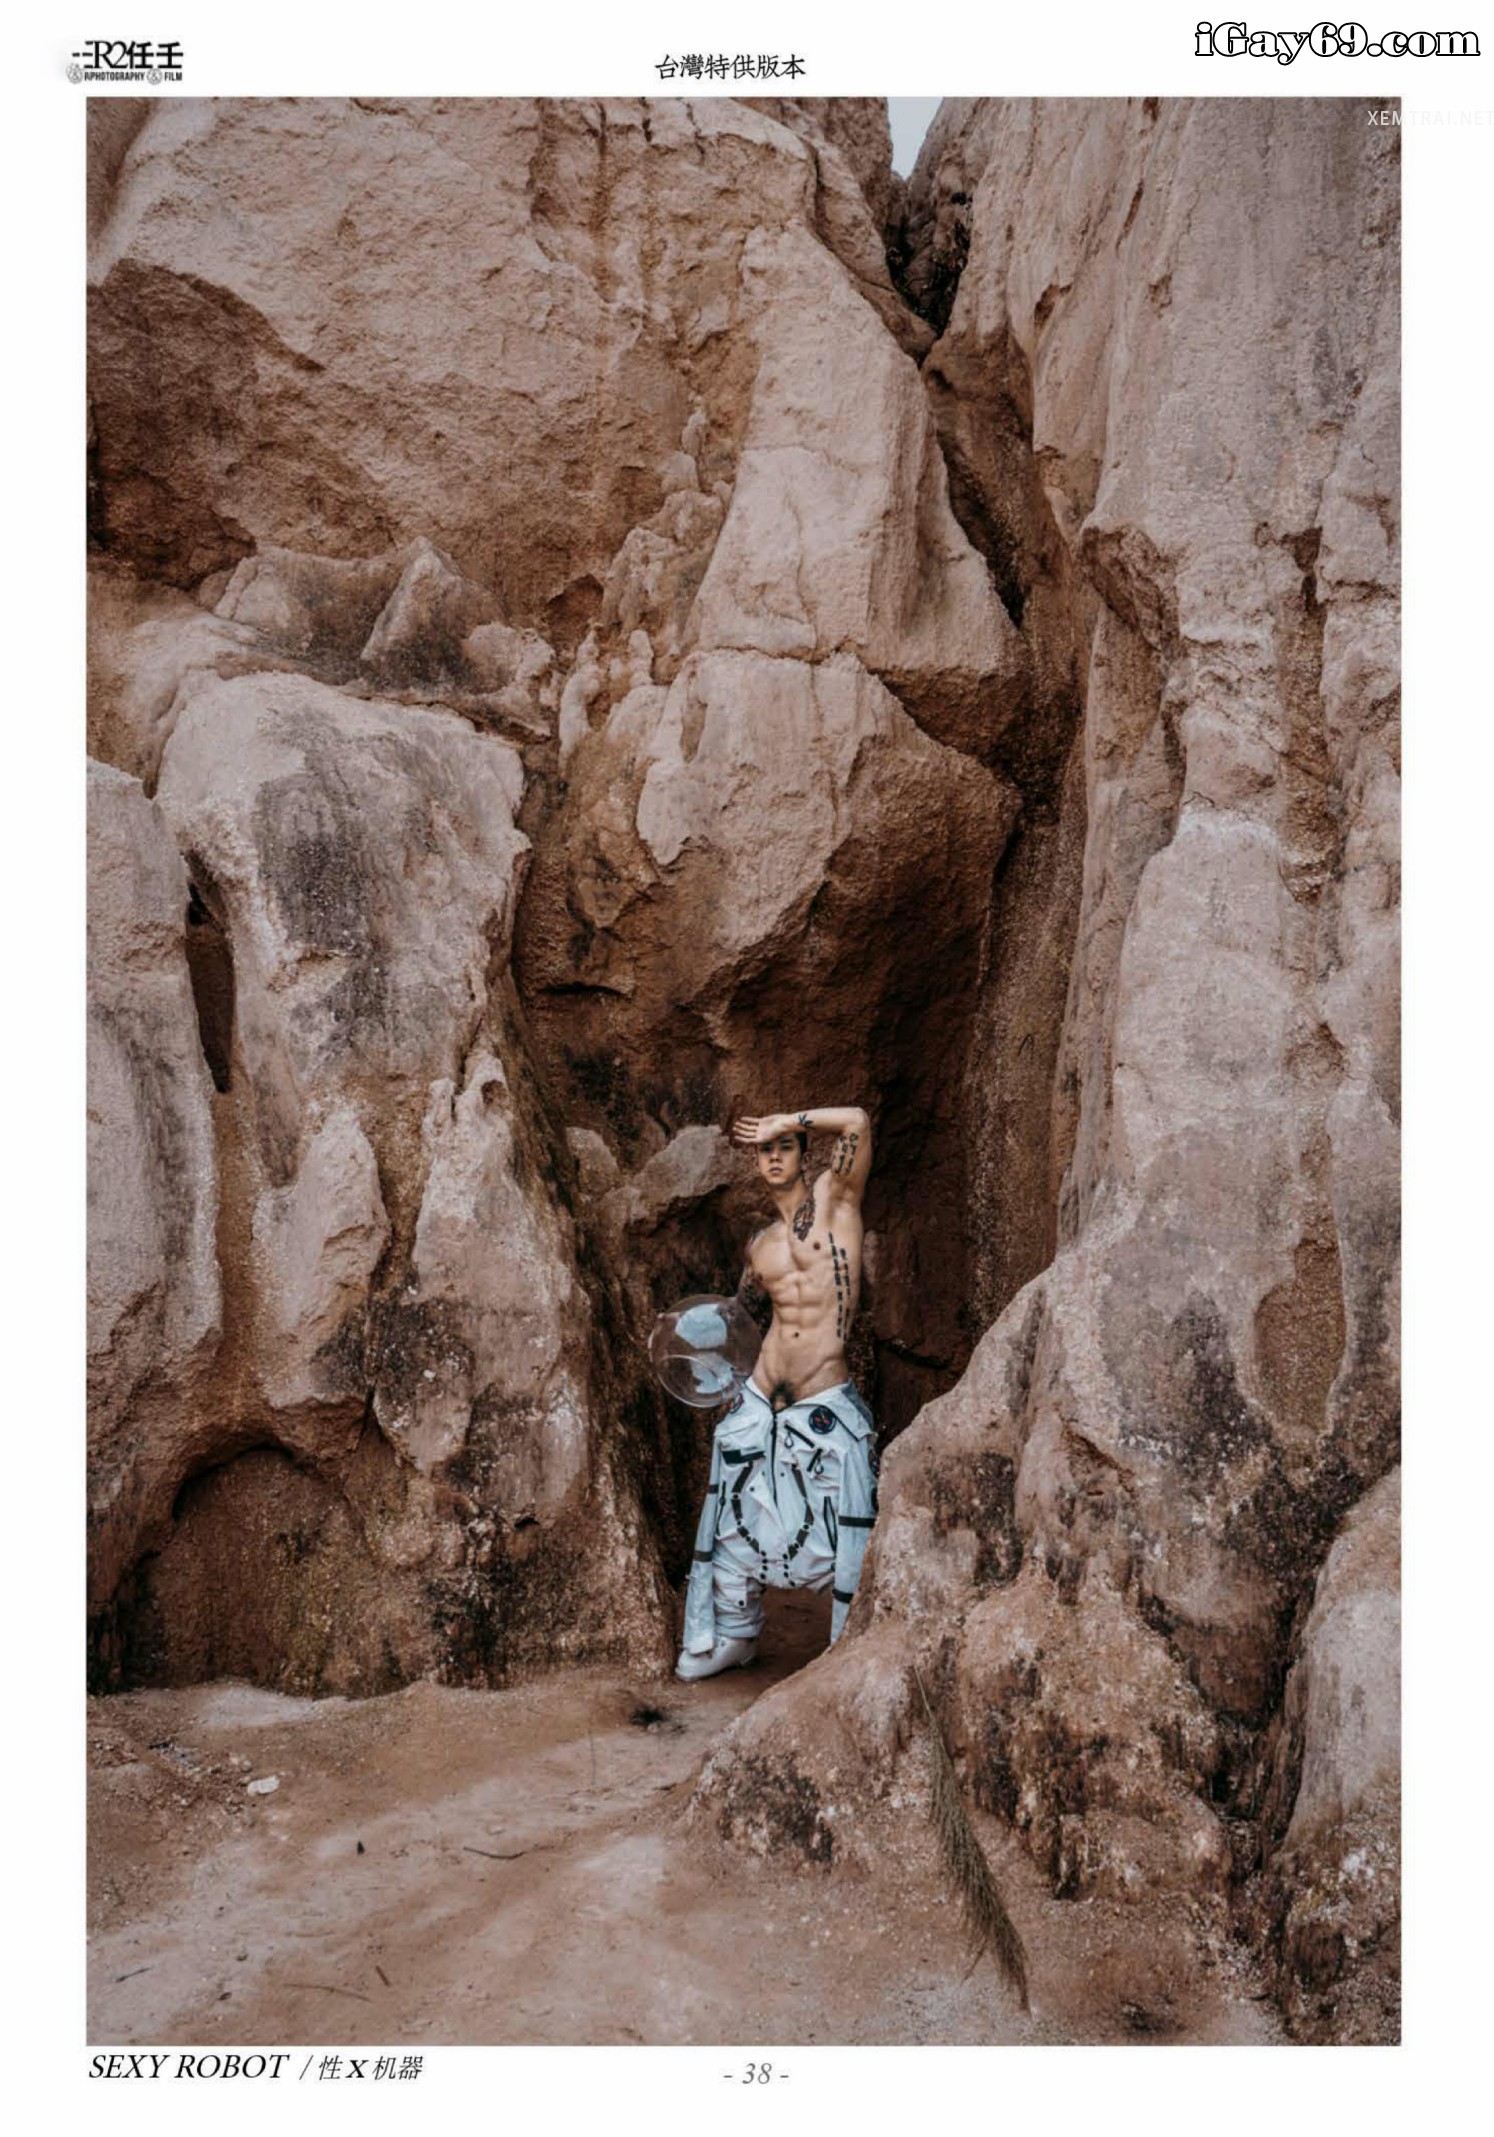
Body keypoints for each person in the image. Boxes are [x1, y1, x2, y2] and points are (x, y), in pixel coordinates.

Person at [676, 1104, 878, 1682]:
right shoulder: (760, 1246)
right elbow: (740, 1323)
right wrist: (685, 1344)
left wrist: (788, 1119)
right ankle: (734, 1634)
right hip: (761, 1398)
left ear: (802, 1155)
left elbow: (858, 1122)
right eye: (764, 1149)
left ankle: (844, 1643)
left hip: (823, 1400)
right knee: (732, 1513)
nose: (771, 1155)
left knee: (841, 1522)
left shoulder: (836, 1204)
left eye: (783, 1146)